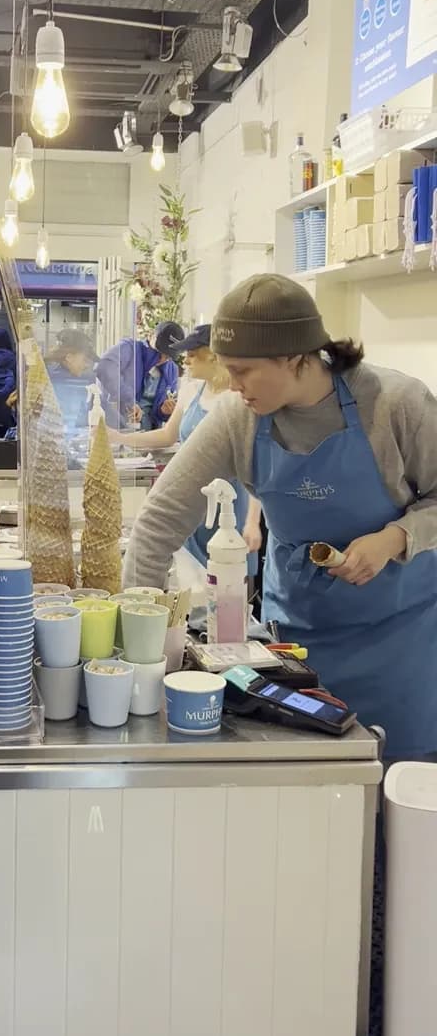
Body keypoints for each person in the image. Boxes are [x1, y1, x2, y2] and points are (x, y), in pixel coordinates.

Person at [124, 274, 437, 761]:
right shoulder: (237, 420)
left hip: (402, 646)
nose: (234, 384)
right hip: (296, 653)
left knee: (401, 802)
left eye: (245, 370)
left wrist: (395, 538)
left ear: (297, 357)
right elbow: (156, 526)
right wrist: (138, 656)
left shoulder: (396, 405)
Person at [111, 324, 262, 572]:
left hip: (229, 503)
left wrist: (253, 522)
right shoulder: (190, 391)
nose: (186, 361)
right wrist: (119, 437)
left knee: (228, 575)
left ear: (213, 357)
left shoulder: (238, 399)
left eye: (193, 355)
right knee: (193, 577)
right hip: (190, 499)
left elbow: (256, 464)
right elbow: (168, 435)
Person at [95, 320, 183, 431]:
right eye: (160, 351)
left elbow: (159, 415)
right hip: (117, 428)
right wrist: (130, 400)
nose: (162, 358)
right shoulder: (129, 349)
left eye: (168, 355)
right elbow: (104, 367)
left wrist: (164, 411)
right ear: (150, 336)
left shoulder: (171, 370)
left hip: (148, 436)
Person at [46, 329, 96, 434]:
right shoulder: (61, 381)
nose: (87, 365)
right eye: (84, 360)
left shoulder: (49, 373)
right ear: (69, 357)